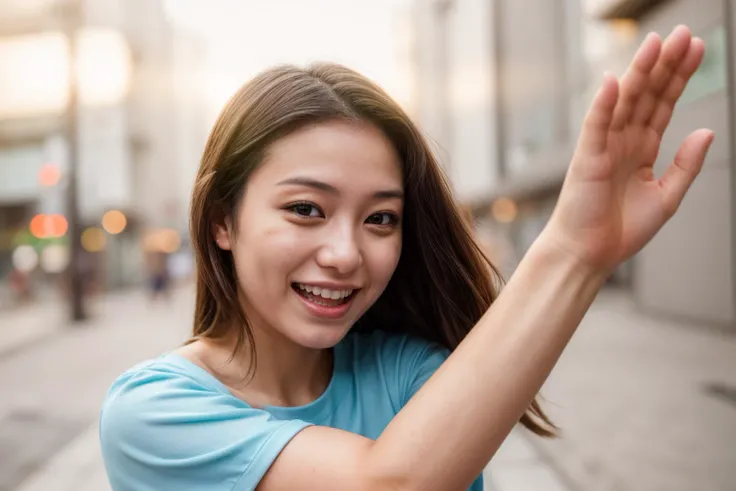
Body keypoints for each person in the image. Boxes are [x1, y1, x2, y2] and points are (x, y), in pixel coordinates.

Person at [99, 26, 712, 491]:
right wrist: (573, 251)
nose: (345, 254)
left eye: (380, 219)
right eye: (306, 209)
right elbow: (391, 483)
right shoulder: (153, 411)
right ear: (222, 221)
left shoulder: (409, 373)